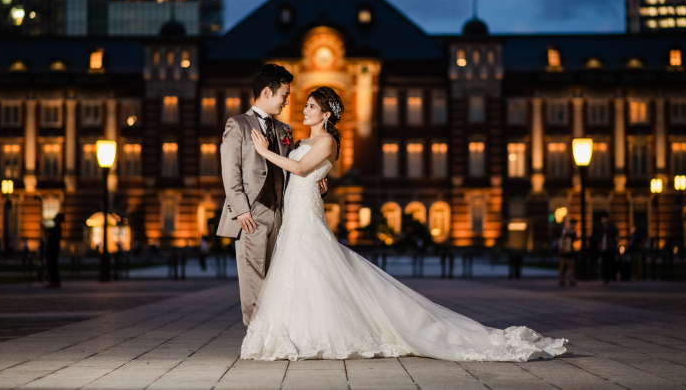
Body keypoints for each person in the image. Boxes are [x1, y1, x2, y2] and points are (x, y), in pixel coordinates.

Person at [240, 87, 567, 362]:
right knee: (304, 271)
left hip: (306, 217)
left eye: (312, 106)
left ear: (326, 114)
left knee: (315, 267)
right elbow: (303, 173)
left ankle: (321, 332)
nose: (305, 110)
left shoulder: (327, 141)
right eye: (306, 105)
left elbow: (299, 169)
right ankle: (298, 331)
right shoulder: (303, 141)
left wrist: (264, 151)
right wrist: (317, 181)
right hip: (296, 213)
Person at [216, 64, 327, 326]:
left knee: (276, 277)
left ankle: (274, 331)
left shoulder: (284, 129)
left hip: (281, 213)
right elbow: (230, 171)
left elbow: (293, 168)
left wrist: (316, 184)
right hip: (251, 213)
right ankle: (256, 335)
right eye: (284, 95)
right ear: (267, 92)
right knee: (253, 278)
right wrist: (241, 210)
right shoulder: (238, 125)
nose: (287, 101)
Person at [597, 212, 618, 285]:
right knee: (604, 264)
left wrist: (615, 244)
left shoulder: (611, 226)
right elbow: (599, 236)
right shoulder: (601, 227)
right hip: (604, 248)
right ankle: (606, 278)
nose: (602, 220)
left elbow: (615, 235)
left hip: (610, 247)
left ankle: (613, 276)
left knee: (611, 263)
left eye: (603, 218)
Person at [45, 213, 64, 288]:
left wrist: (44, 229)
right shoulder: (57, 227)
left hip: (53, 249)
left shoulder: (57, 228)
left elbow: (50, 235)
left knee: (53, 265)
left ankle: (55, 281)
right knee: (52, 265)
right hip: (53, 248)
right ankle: (54, 281)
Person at [558, 219, 578, 286]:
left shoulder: (574, 232)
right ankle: (561, 279)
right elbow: (562, 237)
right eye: (573, 224)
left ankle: (571, 279)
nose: (574, 225)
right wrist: (562, 247)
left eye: (575, 224)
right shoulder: (566, 230)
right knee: (562, 264)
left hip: (570, 249)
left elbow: (575, 239)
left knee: (571, 265)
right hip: (564, 249)